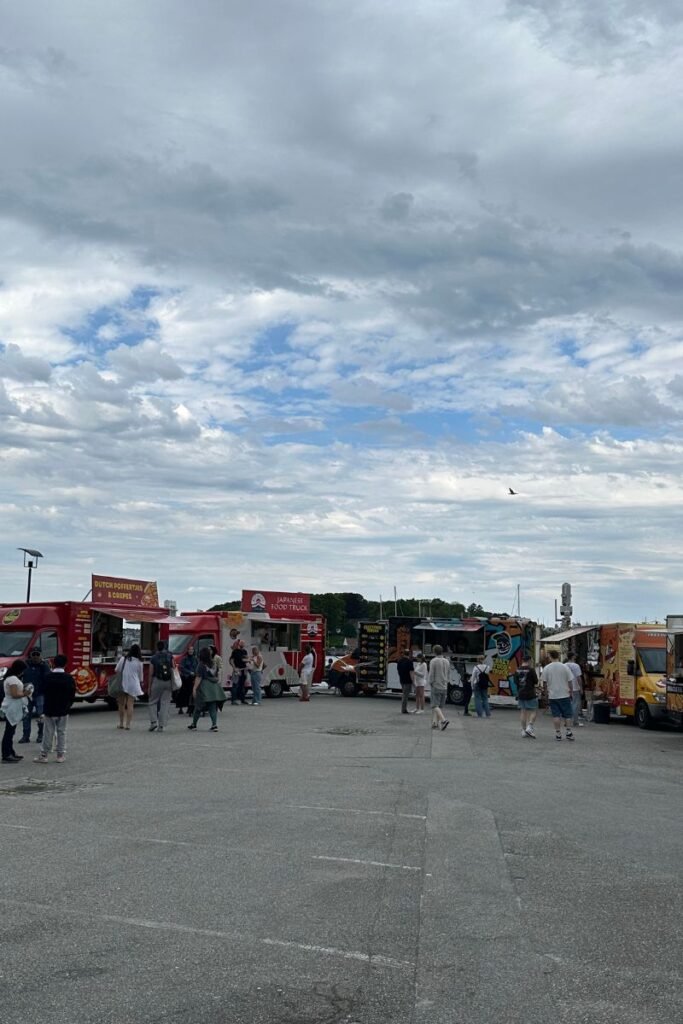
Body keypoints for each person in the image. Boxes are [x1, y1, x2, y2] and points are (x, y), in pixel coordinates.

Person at [33, 654, 76, 764]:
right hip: (63, 709)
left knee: (48, 732)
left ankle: (44, 755)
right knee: (62, 732)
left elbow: (42, 691)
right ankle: (60, 755)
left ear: (53, 663)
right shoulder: (68, 678)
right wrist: (68, 705)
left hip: (49, 708)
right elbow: (72, 694)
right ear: (65, 664)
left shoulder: (48, 677)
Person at [541, 650, 575, 741]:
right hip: (564, 694)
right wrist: (571, 691)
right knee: (567, 715)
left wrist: (545, 693)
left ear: (550, 656)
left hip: (553, 695)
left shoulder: (547, 668)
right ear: (558, 656)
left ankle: (558, 734)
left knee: (556, 715)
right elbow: (570, 681)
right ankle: (568, 732)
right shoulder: (565, 667)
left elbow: (544, 683)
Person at [188, 647, 224, 732]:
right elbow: (215, 674)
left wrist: (194, 688)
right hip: (213, 687)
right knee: (212, 706)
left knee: (198, 706)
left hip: (203, 687)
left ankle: (194, 724)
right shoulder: (213, 663)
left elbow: (199, 677)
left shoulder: (201, 665)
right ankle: (214, 725)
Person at [18, 647, 49, 745]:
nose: (35, 656)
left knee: (41, 715)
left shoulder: (44, 665)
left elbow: (48, 678)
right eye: (33, 654)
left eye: (37, 654)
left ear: (40, 655)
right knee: (26, 716)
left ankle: (40, 735)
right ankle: (25, 736)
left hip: (40, 694)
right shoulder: (25, 665)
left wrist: (43, 665)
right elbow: (18, 676)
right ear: (30, 655)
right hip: (27, 695)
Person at [1, 659, 27, 763]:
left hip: (13, 706)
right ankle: (6, 754)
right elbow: (14, 694)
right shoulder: (12, 679)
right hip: (11, 706)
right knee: (9, 732)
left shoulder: (13, 678)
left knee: (11, 731)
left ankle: (10, 751)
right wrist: (26, 693)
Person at [115, 643, 144, 730]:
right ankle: (128, 725)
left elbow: (117, 669)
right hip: (133, 684)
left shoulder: (123, 659)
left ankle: (121, 723)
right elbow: (141, 676)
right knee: (130, 704)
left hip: (123, 683)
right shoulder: (140, 662)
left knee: (121, 704)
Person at [148, 641, 174, 733]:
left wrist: (149, 687)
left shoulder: (154, 658)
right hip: (168, 682)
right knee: (165, 703)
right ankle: (161, 726)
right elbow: (173, 669)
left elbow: (151, 673)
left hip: (157, 681)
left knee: (152, 701)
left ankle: (153, 722)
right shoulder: (169, 656)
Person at [516, 656, 539, 738]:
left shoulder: (517, 669)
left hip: (521, 693)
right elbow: (536, 681)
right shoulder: (531, 670)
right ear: (529, 660)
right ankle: (530, 726)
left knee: (523, 711)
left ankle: (523, 730)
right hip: (530, 693)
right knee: (534, 710)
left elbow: (516, 681)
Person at [428, 645, 450, 730]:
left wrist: (430, 683)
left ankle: (443, 720)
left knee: (434, 705)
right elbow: (448, 674)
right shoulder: (447, 661)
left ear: (434, 652)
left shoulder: (433, 661)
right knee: (439, 706)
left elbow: (431, 674)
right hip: (444, 686)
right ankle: (435, 723)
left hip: (436, 685)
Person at [176, 644, 198, 715]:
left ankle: (190, 707)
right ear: (187, 651)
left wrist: (195, 673)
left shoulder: (195, 659)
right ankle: (181, 708)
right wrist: (189, 672)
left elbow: (197, 667)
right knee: (183, 693)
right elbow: (181, 667)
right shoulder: (184, 659)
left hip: (193, 678)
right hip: (185, 678)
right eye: (189, 649)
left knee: (192, 693)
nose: (191, 651)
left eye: (192, 649)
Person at [565, 654, 584, 727]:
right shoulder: (576, 666)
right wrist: (581, 688)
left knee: (567, 704)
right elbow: (579, 678)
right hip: (575, 687)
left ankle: (567, 721)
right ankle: (574, 721)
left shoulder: (564, 665)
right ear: (573, 657)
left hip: (566, 687)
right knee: (575, 704)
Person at [396, 648, 414, 714]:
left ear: (403, 653)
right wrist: (413, 681)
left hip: (402, 680)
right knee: (405, 695)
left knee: (404, 694)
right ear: (409, 654)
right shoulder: (409, 662)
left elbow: (398, 670)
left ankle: (403, 708)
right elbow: (411, 672)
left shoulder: (400, 661)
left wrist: (401, 676)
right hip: (408, 680)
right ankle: (403, 709)